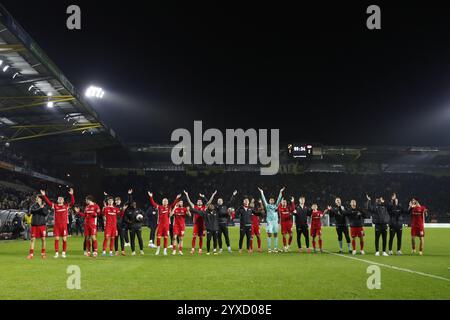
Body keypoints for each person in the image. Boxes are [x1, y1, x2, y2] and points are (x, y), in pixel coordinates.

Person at [40, 188, 74, 258]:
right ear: (58, 200)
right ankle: (56, 253)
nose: (60, 199)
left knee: (64, 239)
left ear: (63, 200)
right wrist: (44, 196)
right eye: (59, 199)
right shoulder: (55, 206)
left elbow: (73, 203)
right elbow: (48, 202)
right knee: (57, 239)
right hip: (57, 226)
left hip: (64, 225)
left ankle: (64, 253)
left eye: (61, 199)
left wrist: (72, 195)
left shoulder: (66, 206)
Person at [148, 191, 181, 256]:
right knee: (158, 238)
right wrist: (151, 197)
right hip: (160, 225)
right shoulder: (159, 207)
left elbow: (174, 204)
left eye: (166, 201)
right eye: (164, 201)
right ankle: (158, 250)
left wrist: (177, 198)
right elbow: (153, 203)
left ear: (167, 202)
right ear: (162, 202)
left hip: (166, 226)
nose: (165, 202)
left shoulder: (169, 207)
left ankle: (164, 251)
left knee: (166, 238)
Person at [184, 190, 216, 254]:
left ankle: (200, 249)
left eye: (200, 201)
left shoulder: (204, 207)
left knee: (201, 237)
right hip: (196, 224)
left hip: (202, 225)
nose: (199, 202)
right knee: (194, 236)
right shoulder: (194, 207)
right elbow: (189, 202)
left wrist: (213, 195)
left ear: (201, 203)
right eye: (198, 201)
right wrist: (187, 195)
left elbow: (209, 202)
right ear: (197, 202)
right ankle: (193, 249)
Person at [258, 187, 284, 253]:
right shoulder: (267, 206)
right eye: (270, 200)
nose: (272, 201)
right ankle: (269, 248)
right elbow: (264, 199)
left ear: (274, 201)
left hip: (275, 222)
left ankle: (275, 248)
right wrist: (262, 192)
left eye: (273, 200)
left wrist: (280, 192)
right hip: (270, 222)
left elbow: (279, 200)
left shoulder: (276, 206)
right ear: (269, 201)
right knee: (269, 234)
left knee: (275, 234)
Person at [27, 195, 48, 259]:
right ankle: (31, 254)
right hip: (34, 225)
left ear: (41, 199)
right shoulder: (33, 206)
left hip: (42, 225)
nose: (36, 199)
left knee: (43, 239)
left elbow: (45, 213)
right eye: (36, 198)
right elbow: (32, 211)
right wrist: (40, 209)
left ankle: (43, 254)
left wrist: (41, 208)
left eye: (38, 198)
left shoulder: (44, 205)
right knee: (33, 239)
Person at [125, 189, 146, 255]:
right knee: (132, 239)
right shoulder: (128, 211)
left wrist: (141, 219)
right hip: (131, 227)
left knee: (140, 238)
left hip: (138, 226)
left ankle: (141, 250)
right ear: (130, 205)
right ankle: (133, 251)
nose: (134, 205)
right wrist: (129, 222)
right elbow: (125, 219)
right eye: (133, 204)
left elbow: (144, 216)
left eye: (135, 204)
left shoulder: (139, 210)